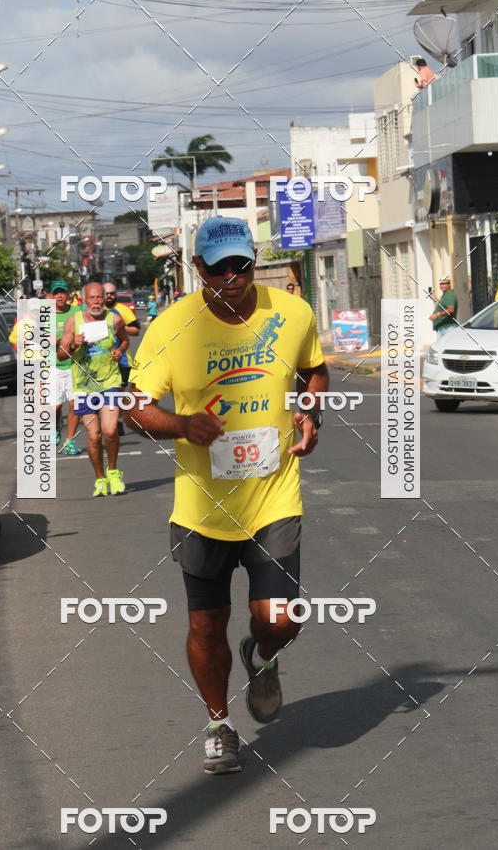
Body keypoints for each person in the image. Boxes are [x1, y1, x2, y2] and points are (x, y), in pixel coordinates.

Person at [124, 215, 328, 776]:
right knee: (207, 625)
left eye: (243, 266)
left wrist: (309, 414)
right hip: (201, 509)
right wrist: (182, 425)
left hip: (273, 497)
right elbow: (135, 407)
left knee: (281, 618)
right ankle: (219, 722)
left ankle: (262, 658)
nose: (234, 278)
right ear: (197, 270)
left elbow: (313, 371)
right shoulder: (170, 327)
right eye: (220, 270)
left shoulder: (290, 313)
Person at [58, 282, 129, 497]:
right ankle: (100, 478)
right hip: (83, 387)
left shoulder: (114, 319)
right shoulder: (74, 321)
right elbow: (61, 355)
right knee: (94, 436)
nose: (96, 302)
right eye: (92, 298)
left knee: (109, 431)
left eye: (100, 297)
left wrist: (119, 351)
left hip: (109, 383)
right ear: (83, 300)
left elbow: (125, 340)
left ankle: (114, 471)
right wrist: (73, 344)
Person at [104, 282, 141, 436]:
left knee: (117, 393)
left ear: (115, 294)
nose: (109, 296)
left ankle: (117, 422)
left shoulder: (123, 310)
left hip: (123, 360)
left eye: (112, 293)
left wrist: (119, 326)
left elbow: (136, 330)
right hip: (100, 361)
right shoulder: (94, 311)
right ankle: (108, 422)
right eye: (106, 293)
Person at [52, 280, 82, 455]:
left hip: (74, 365)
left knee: (74, 404)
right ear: (51, 295)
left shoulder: (77, 312)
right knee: (55, 407)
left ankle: (69, 441)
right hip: (53, 367)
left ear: (68, 294)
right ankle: (56, 427)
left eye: (62, 292)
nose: (60, 295)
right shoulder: (45, 315)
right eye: (56, 292)